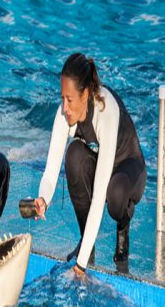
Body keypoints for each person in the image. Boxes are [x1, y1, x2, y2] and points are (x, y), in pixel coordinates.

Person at [34, 53, 146, 275]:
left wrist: (80, 266)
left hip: (129, 169)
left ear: (85, 94)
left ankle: (123, 232)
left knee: (115, 194)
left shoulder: (106, 111)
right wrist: (43, 199)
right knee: (74, 155)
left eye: (70, 99)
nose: (64, 107)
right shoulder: (64, 112)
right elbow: (50, 171)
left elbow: (98, 198)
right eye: (62, 98)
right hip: (103, 164)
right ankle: (88, 242)